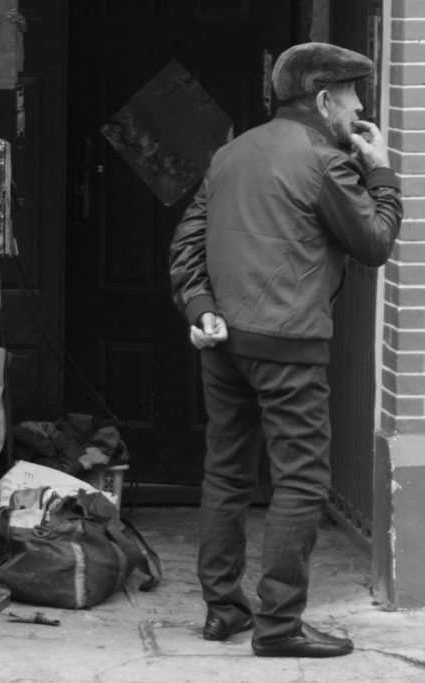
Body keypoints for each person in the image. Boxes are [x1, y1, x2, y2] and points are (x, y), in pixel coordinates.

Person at [169, 42, 402, 658]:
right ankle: (279, 627)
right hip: (291, 344)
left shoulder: (229, 153)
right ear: (325, 100)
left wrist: (201, 310)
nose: (359, 111)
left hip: (223, 343)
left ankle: (224, 611)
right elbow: (375, 241)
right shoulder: (329, 162)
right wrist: (380, 169)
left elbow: (185, 246)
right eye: (353, 99)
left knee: (226, 474)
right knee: (301, 484)